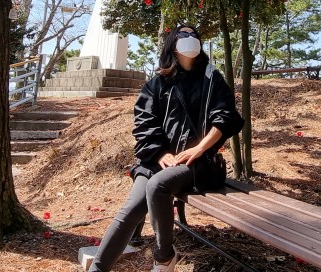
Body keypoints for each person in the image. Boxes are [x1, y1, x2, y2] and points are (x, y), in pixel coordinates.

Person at [87, 24, 244, 272]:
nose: (190, 38)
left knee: (158, 186)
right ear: (173, 42)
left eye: (195, 35)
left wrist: (199, 149)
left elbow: (225, 118)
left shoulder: (212, 79)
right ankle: (97, 269)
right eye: (184, 34)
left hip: (198, 164)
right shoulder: (156, 84)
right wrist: (161, 153)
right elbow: (144, 123)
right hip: (156, 161)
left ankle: (163, 258)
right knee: (129, 211)